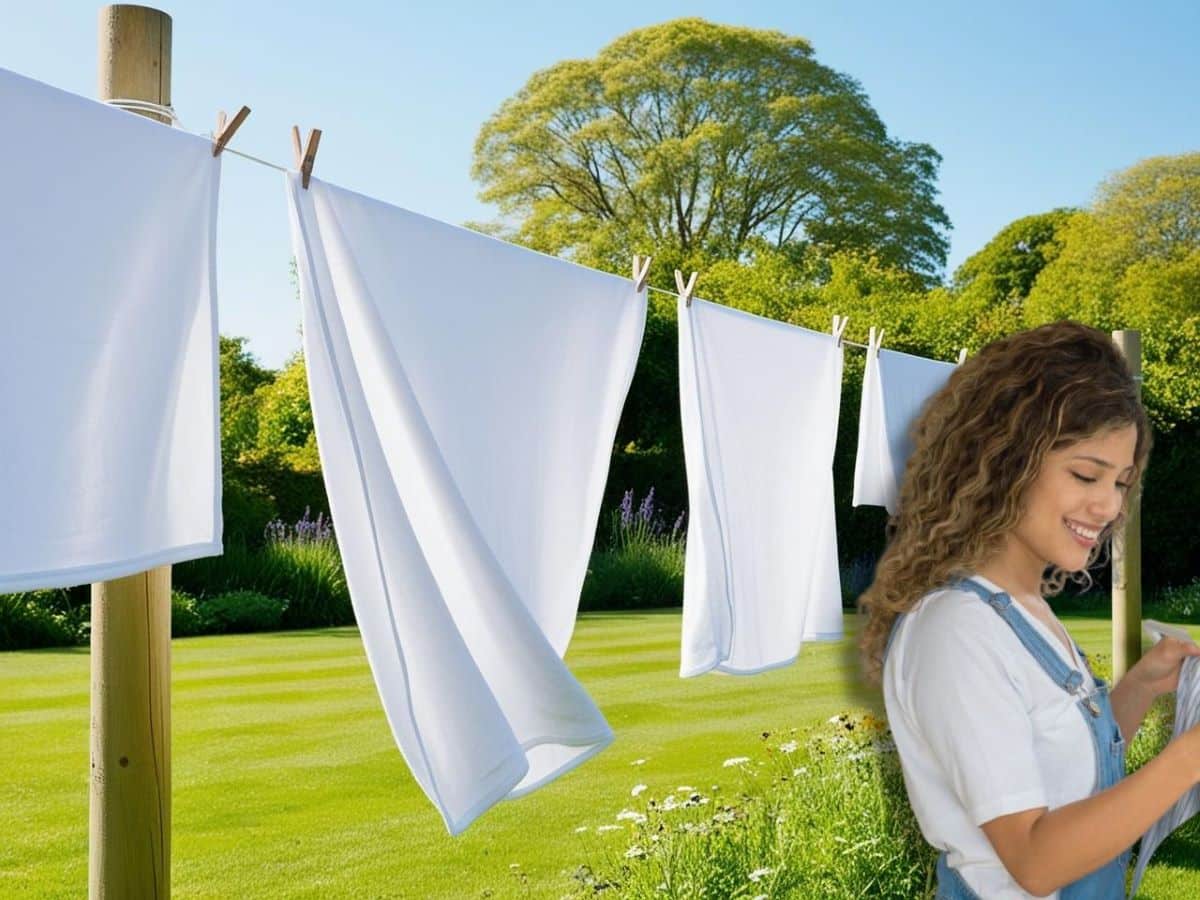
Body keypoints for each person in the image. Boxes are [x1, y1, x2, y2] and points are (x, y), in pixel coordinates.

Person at [857, 321, 1200, 899]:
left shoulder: (1024, 609)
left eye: (1121, 481)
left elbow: (1061, 766)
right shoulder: (956, 631)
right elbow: (1035, 861)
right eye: (1086, 474)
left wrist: (1140, 687)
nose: (1110, 504)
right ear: (1006, 463)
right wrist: (1187, 760)